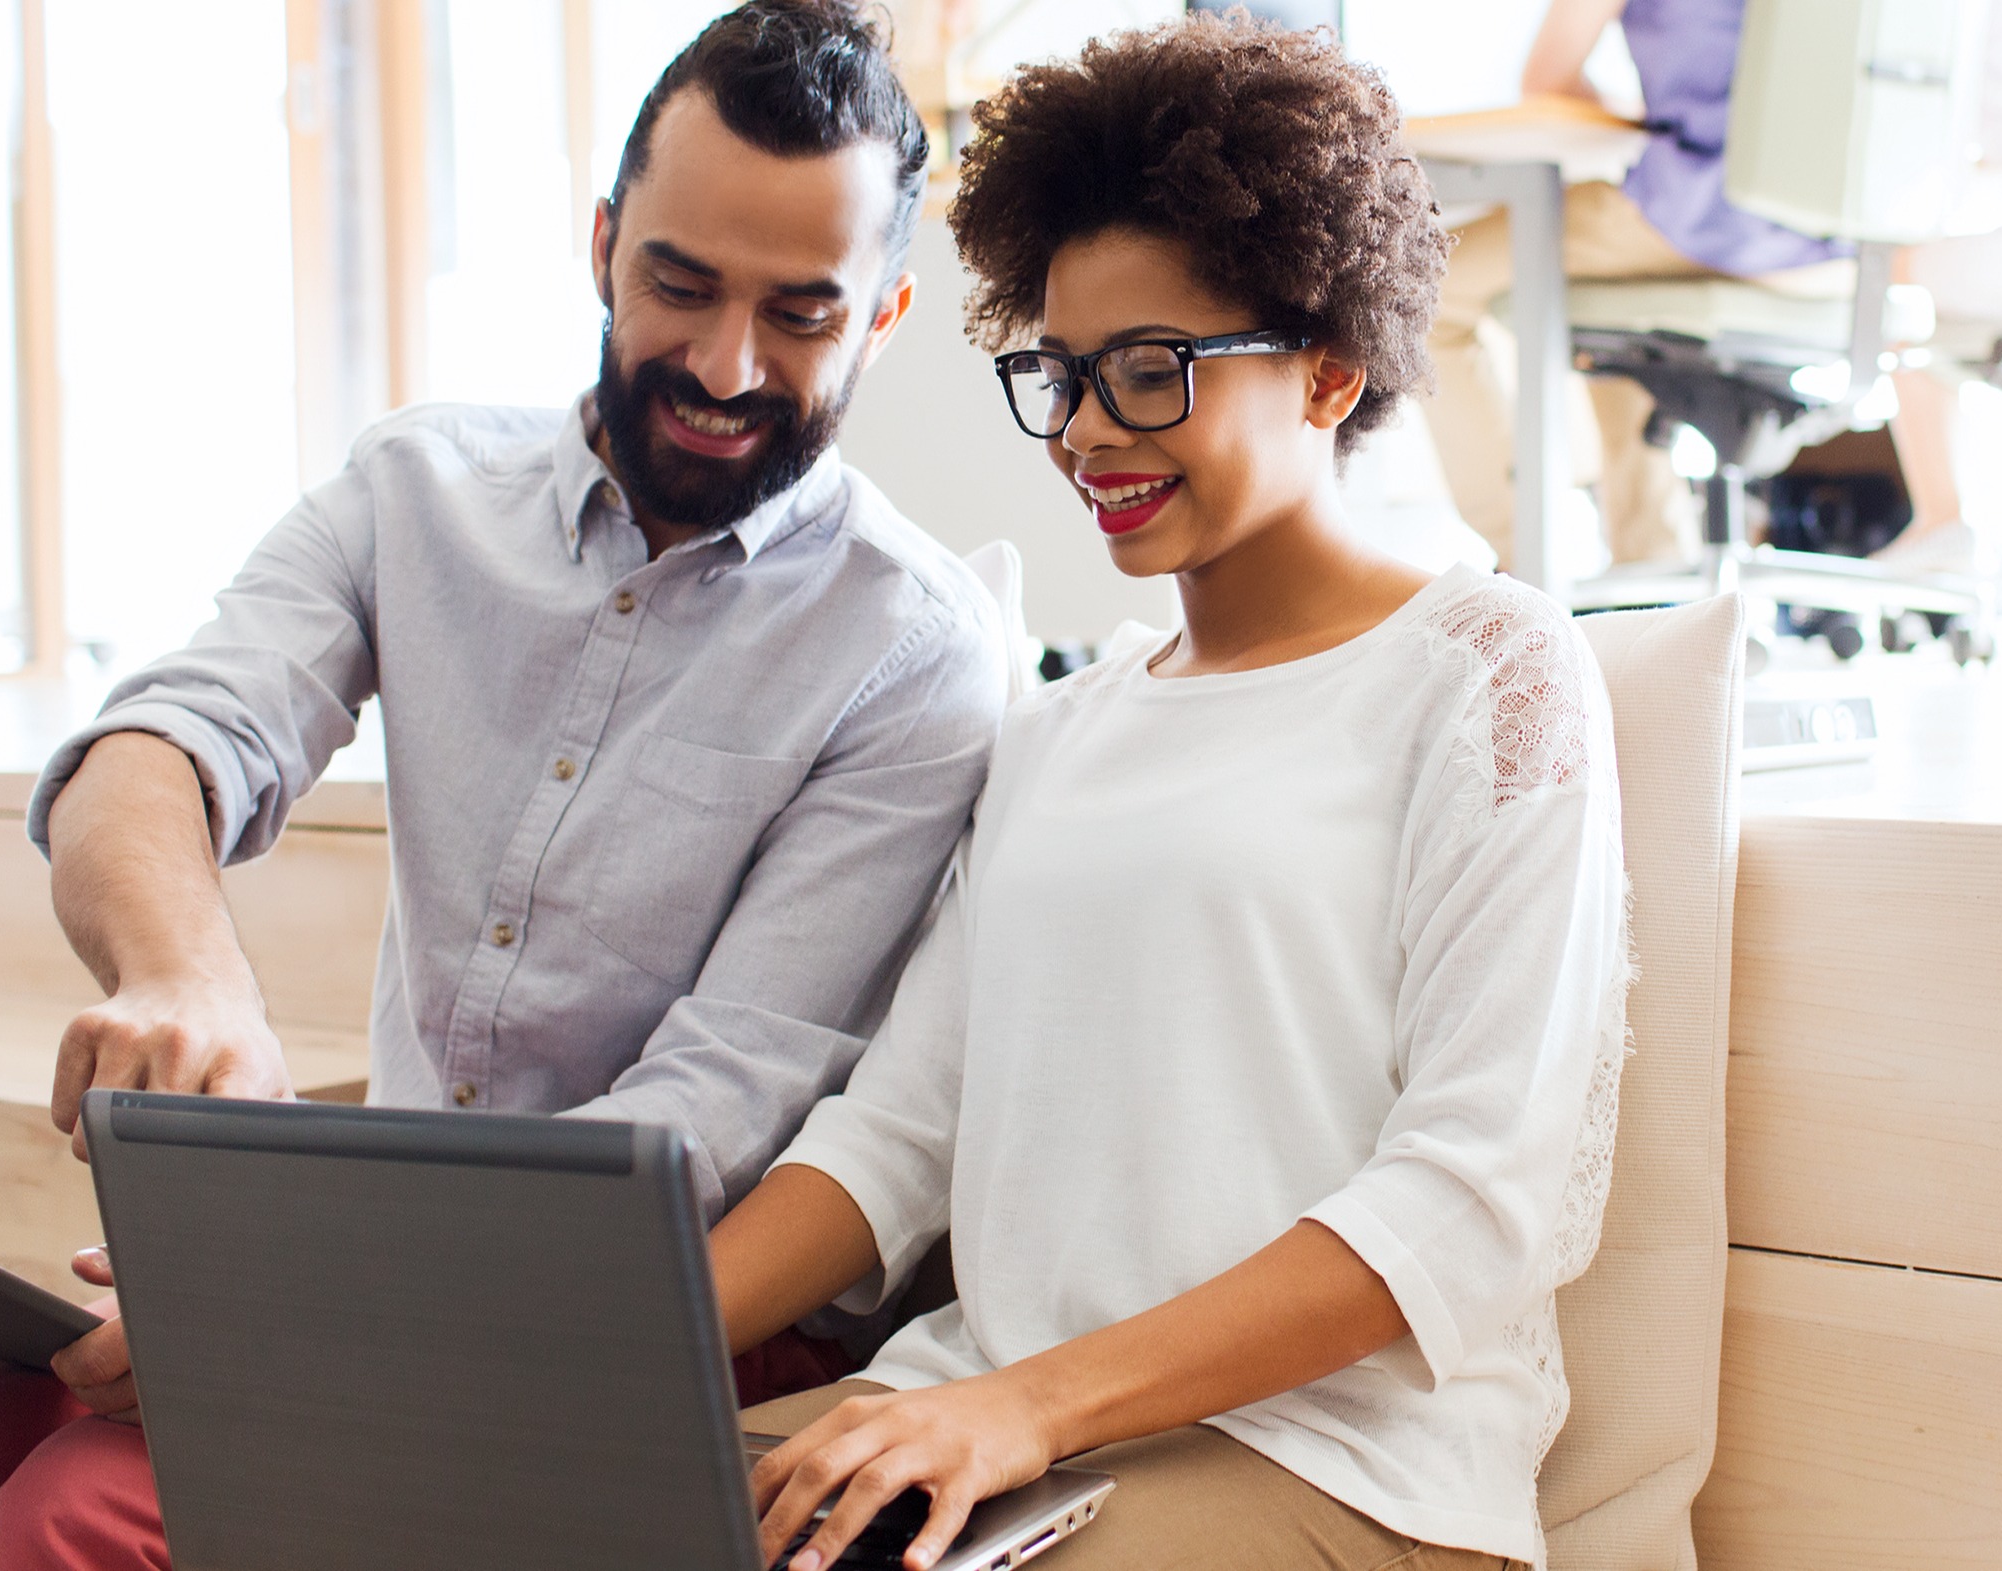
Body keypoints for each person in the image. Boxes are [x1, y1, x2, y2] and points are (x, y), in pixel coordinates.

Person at [0, 5, 1001, 1567]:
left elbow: (706, 1122)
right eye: (678, 285)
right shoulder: (412, 489)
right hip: (381, 1255)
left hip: (672, 1310)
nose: (722, 364)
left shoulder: (911, 650)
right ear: (601, 244)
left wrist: (292, 1310)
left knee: (81, 1514)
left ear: (886, 315)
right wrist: (186, 972)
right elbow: (159, 742)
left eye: (800, 317)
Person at [701, 18, 1632, 1571]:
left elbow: (1471, 1198)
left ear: (1330, 369)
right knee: (530, 1494)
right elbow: (894, 1139)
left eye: (1150, 371)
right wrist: (574, 1338)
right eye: (1061, 372)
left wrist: (1026, 1405)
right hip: (987, 1423)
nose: (1082, 432)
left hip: (1335, 1465)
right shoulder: (1061, 732)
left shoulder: (1488, 670)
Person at [1422, 0, 1857, 570]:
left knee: (1429, 291)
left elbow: (1549, 81)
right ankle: (1650, 558)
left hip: (1701, 221)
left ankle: (1525, 556)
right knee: (1613, 304)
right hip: (1838, 252)